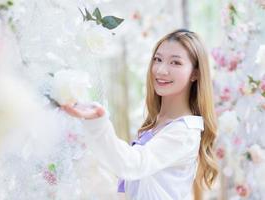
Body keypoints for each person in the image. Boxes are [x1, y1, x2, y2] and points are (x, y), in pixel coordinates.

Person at [62, 29, 218, 200]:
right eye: (157, 60)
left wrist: (98, 123)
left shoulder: (184, 133)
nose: (161, 70)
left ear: (195, 73)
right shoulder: (158, 124)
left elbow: (133, 165)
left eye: (175, 63)